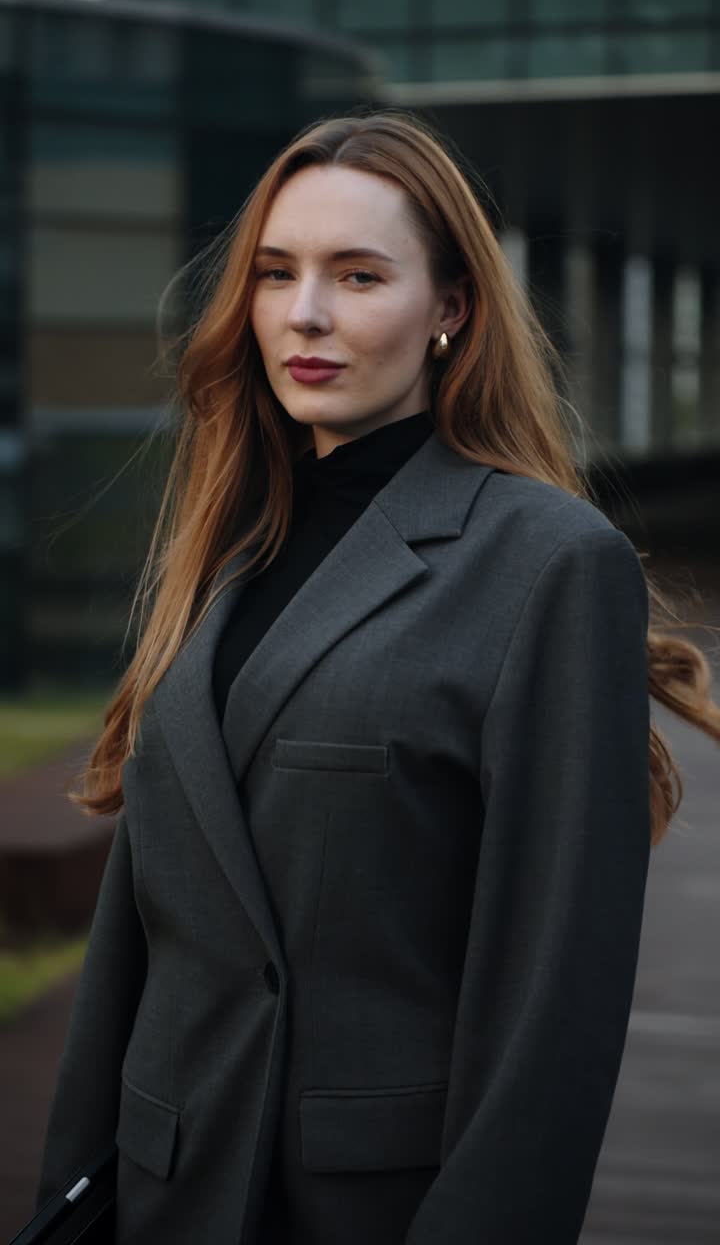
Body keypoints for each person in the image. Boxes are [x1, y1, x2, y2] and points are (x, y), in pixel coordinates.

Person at [35, 109, 720, 1245]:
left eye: (358, 275)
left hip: (364, 1209)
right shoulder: (230, 543)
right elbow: (139, 935)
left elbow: (553, 1008)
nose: (305, 313)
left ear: (451, 307)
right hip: (165, 1193)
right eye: (275, 273)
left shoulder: (547, 562)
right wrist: (68, 1195)